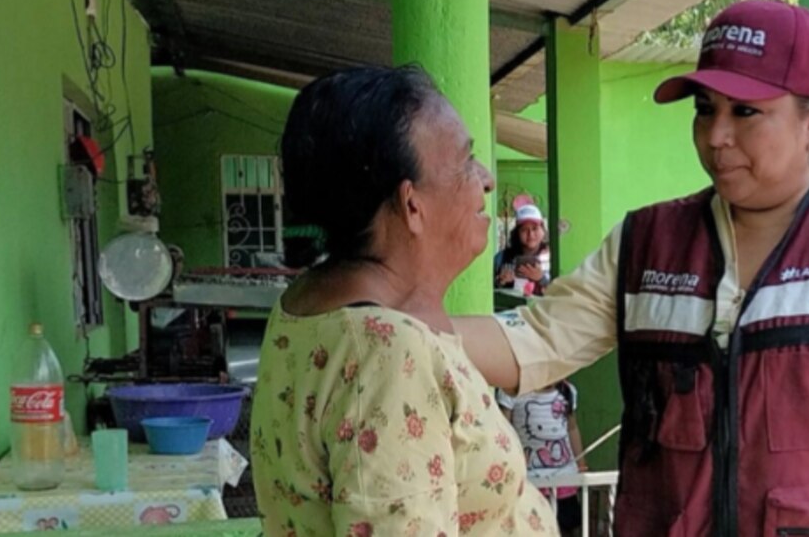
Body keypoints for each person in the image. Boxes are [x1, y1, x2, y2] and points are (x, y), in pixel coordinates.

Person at [454, 0, 809, 537]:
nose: (716, 136)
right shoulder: (644, 245)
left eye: (745, 111)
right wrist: (386, 325)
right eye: (704, 109)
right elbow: (535, 342)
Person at [250, 66, 557, 536]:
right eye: (466, 161)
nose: (487, 179)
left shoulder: (306, 305)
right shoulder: (386, 354)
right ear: (412, 205)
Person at [497, 380, 587, 535]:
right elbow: (503, 430)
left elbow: (572, 428)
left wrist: (581, 464)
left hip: (564, 478)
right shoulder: (512, 392)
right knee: (532, 526)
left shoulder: (567, 391)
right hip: (531, 480)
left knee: (566, 527)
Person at [495, 204, 552, 295]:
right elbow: (486, 289)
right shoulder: (502, 258)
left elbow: (562, 293)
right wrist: (500, 281)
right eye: (524, 230)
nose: (530, 234)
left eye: (535, 228)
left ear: (543, 230)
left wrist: (541, 279)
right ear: (517, 233)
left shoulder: (553, 257)